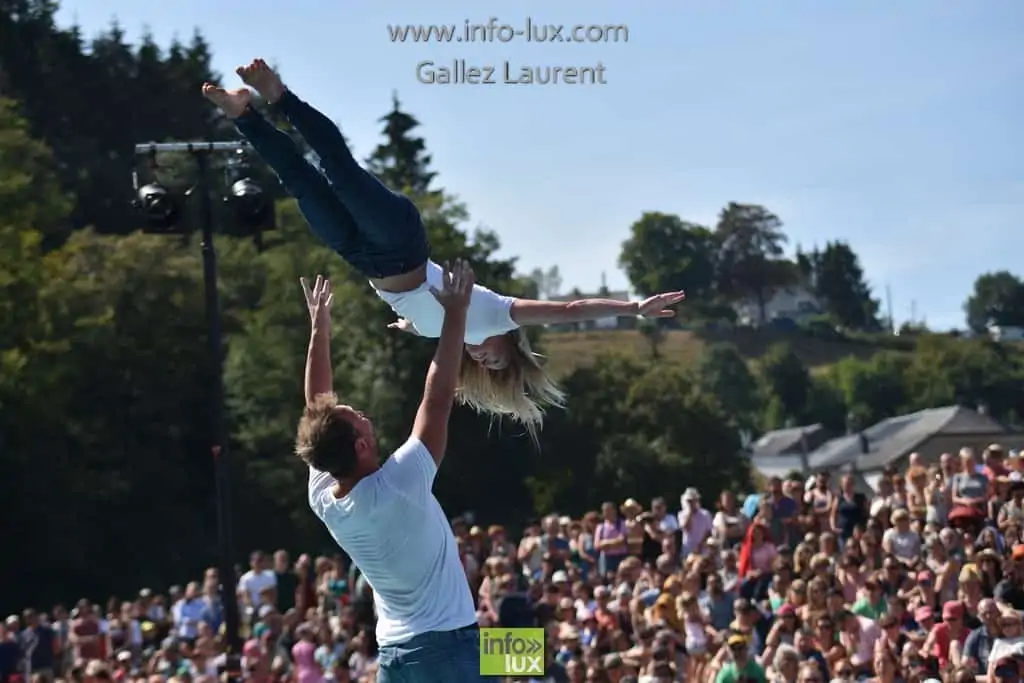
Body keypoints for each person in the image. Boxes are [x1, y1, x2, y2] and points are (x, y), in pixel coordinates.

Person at [201, 60, 686, 435]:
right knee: (339, 172)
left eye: (486, 369)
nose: (485, 360)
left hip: (365, 261)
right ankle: (278, 95)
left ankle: (243, 114)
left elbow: (419, 318)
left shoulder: (444, 334)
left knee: (301, 184)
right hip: (401, 242)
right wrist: (633, 307)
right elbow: (571, 309)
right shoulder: (503, 315)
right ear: (512, 346)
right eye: (498, 360)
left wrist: (406, 323)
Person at [294, 264, 485, 682]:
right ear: (361, 445)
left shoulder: (326, 495)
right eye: (358, 418)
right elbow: (436, 401)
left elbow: (316, 407)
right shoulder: (401, 484)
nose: (362, 414)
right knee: (534, 658)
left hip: (399, 654)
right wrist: (456, 313)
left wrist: (319, 331)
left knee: (537, 653)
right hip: (447, 649)